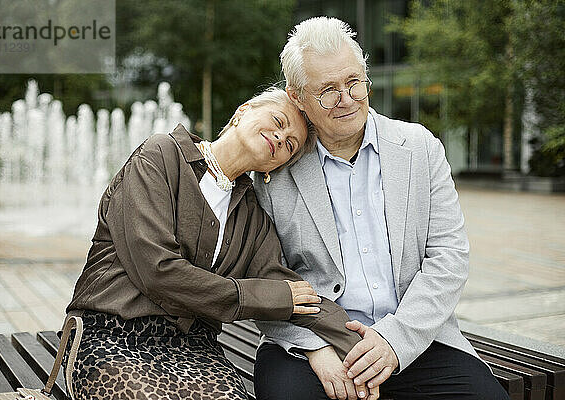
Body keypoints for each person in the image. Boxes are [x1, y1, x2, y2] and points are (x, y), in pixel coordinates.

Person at [252, 17, 510, 400]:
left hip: (414, 337)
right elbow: (263, 278)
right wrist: (315, 347)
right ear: (296, 97)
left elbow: (448, 258)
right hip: (311, 344)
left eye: (354, 82)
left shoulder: (420, 147)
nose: (346, 98)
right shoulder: (274, 168)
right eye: (327, 90)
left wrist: (394, 340)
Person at [62, 87, 366, 400]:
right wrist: (255, 296)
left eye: (290, 144)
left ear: (274, 167)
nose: (280, 137)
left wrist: (360, 345)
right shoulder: (161, 155)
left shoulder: (252, 215)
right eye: (278, 121)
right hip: (113, 334)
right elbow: (158, 271)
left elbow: (290, 292)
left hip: (194, 349)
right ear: (243, 111)